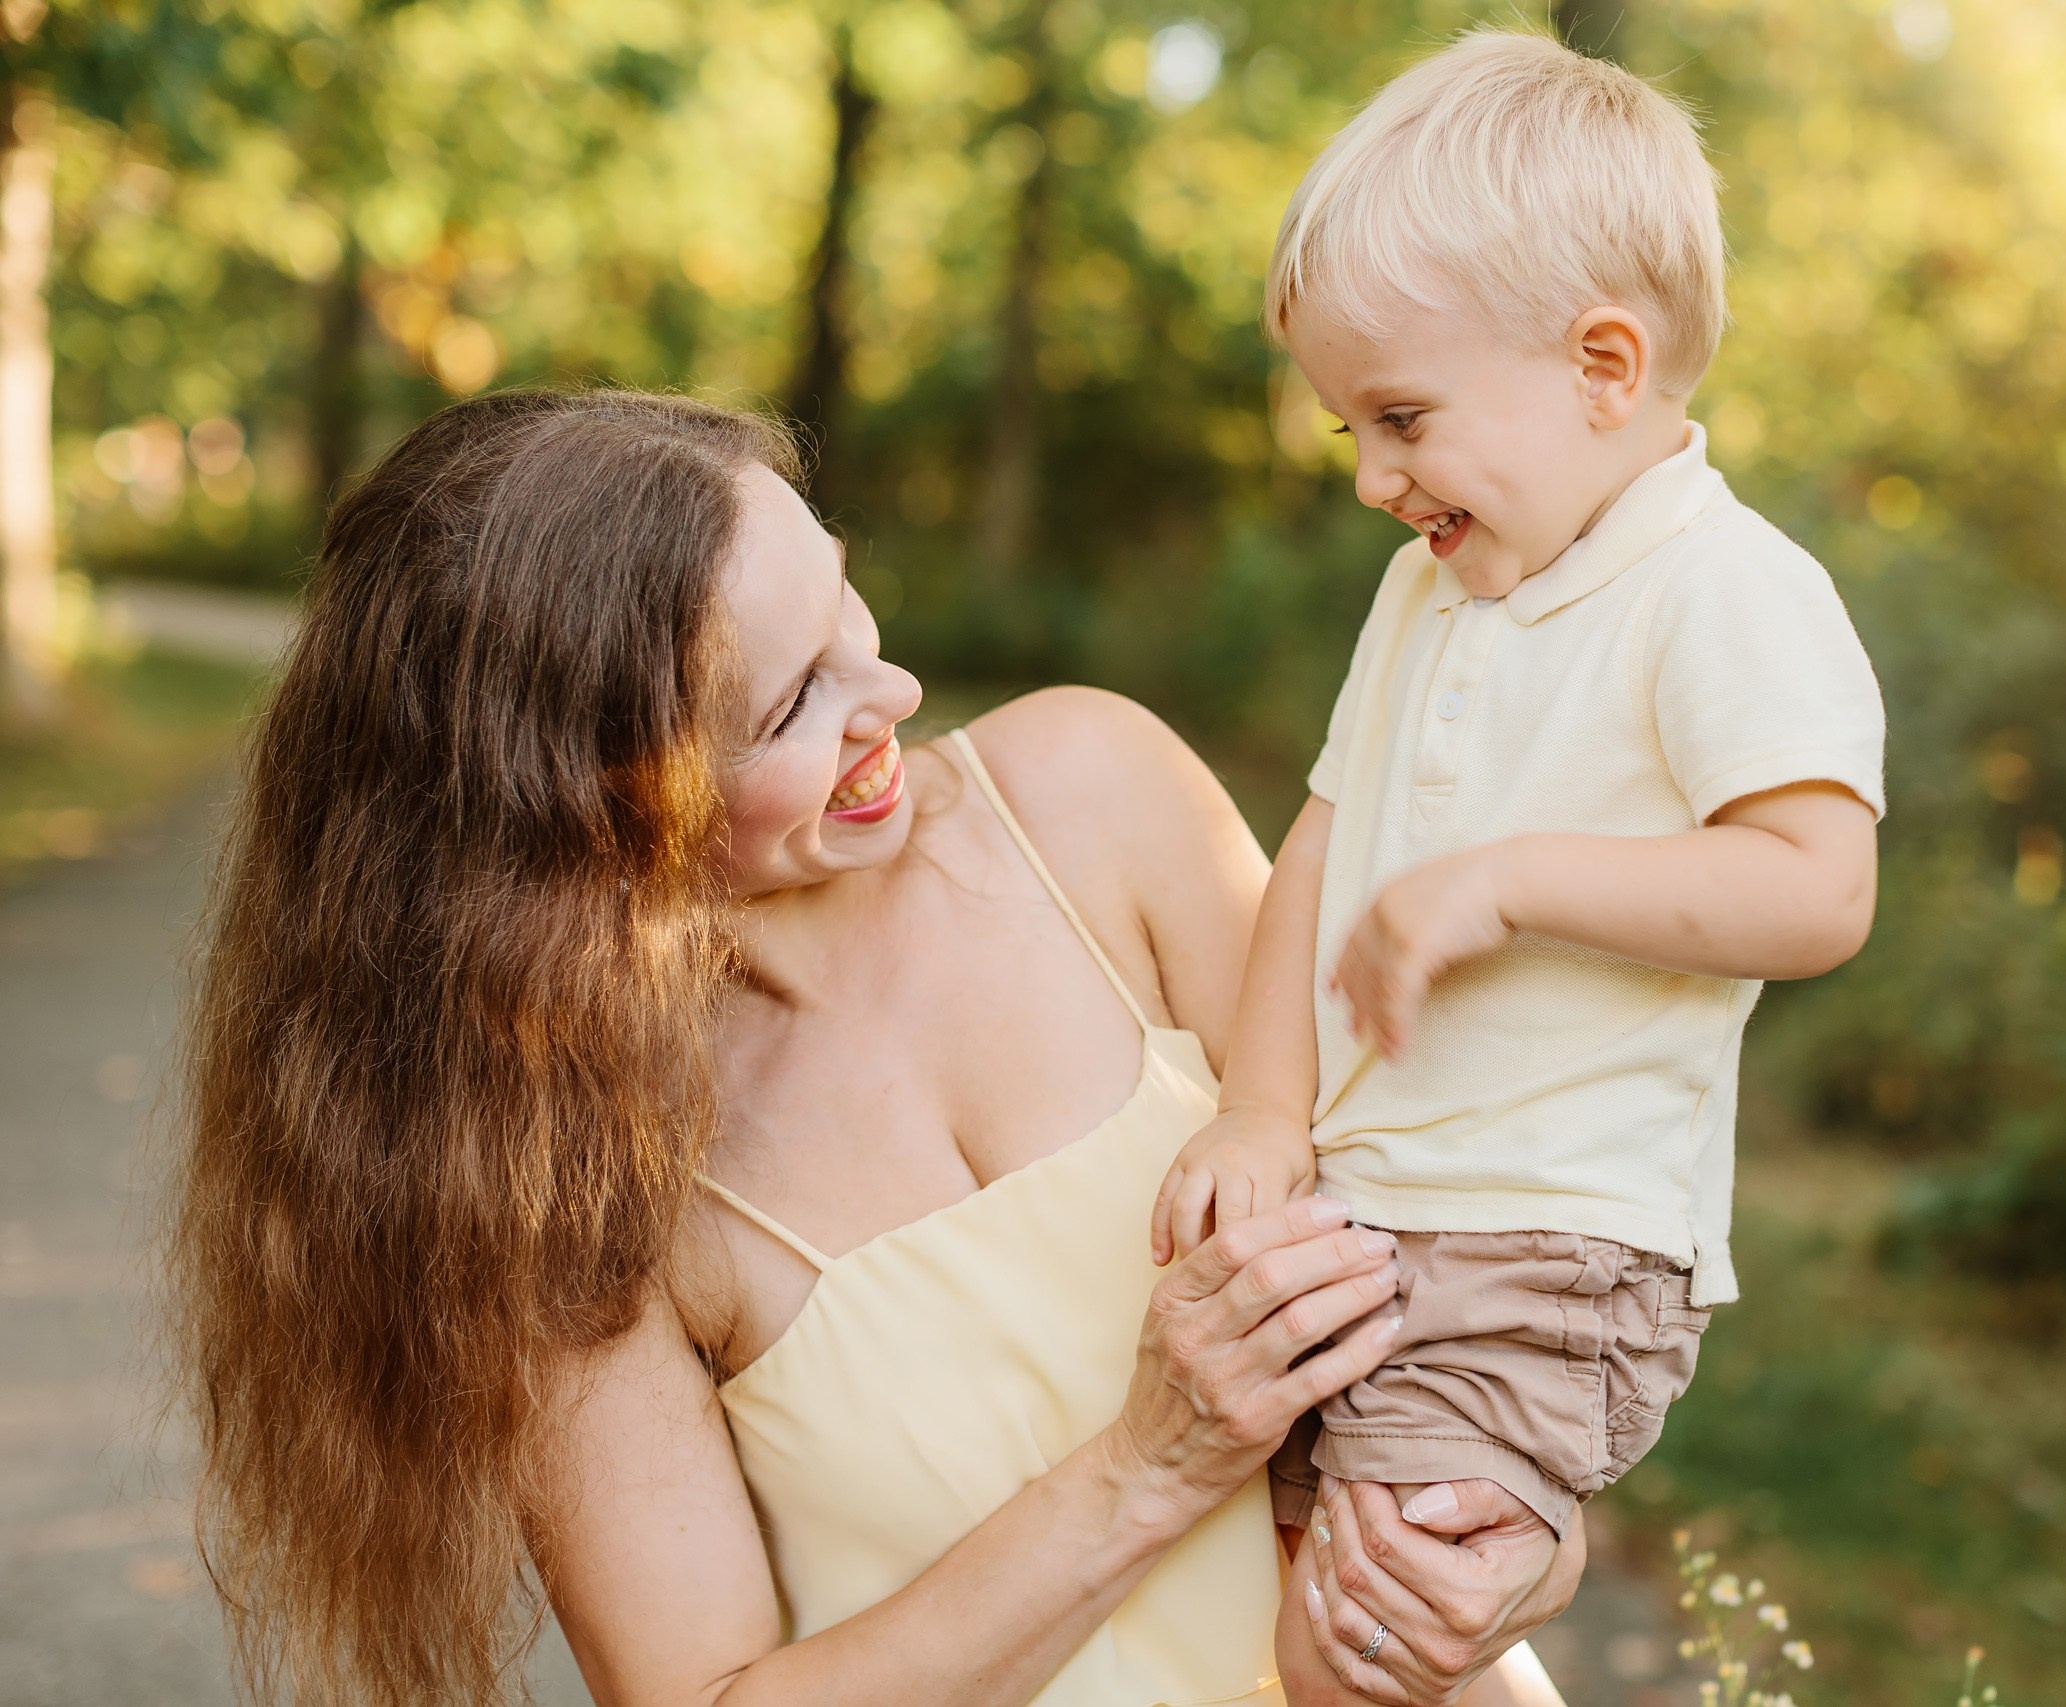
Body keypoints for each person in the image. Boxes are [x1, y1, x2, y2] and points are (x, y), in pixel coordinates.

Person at [170, 389, 1582, 1707]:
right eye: (792, 705)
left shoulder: (1097, 792)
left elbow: (1496, 1247)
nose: (895, 691)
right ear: (579, 808)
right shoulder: (561, 1183)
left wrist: (1538, 1543)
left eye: (847, 602)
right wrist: (1146, 1470)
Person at [1148, 30, 1889, 1699]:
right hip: (1370, 1202)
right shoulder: (1432, 589)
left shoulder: (1727, 593)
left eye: (1400, 417)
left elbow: (1816, 888)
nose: (1368, 477)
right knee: (1254, 1552)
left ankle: (1500, 1546)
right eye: (1350, 424)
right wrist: (1265, 1111)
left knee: (1355, 1636)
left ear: (1605, 369)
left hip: (1547, 1248)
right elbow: (1323, 849)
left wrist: (1508, 879)